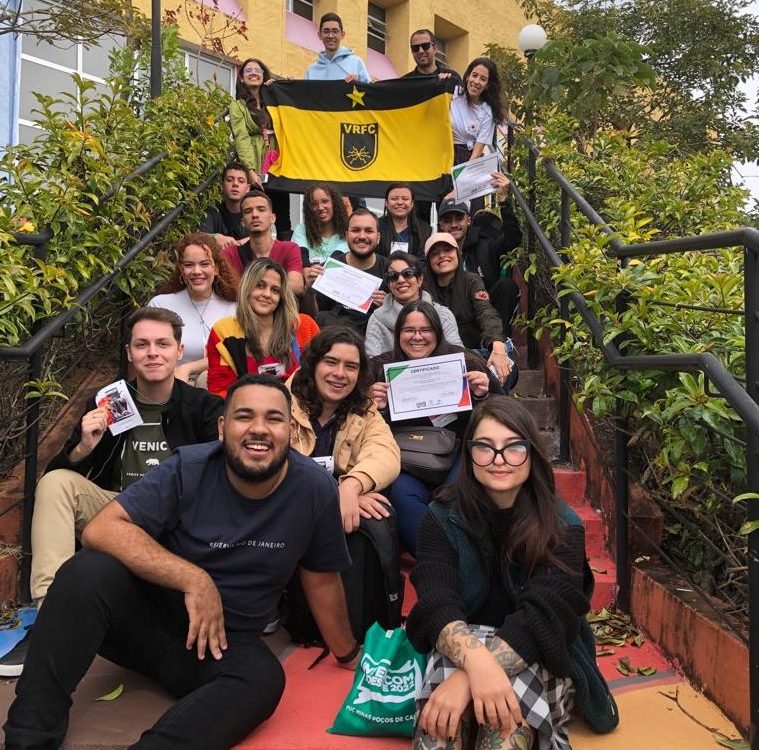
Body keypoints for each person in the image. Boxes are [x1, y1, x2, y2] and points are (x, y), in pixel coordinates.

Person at [3, 375, 359, 749]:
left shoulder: (314, 490)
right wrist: (193, 578)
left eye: (273, 418)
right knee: (86, 572)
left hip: (220, 645)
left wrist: (349, 654)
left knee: (263, 678)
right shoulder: (188, 467)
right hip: (145, 624)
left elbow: (321, 577)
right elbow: (101, 529)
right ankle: (28, 738)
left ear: (291, 430)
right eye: (244, 416)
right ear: (222, 428)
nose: (258, 429)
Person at [0, 308, 224, 677]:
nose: (153, 352)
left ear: (179, 351)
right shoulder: (109, 402)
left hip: (175, 516)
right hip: (116, 511)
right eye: (142, 345)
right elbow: (59, 476)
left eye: (162, 344)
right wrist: (83, 447)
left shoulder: (204, 408)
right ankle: (51, 615)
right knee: (55, 483)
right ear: (129, 353)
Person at [406, 397, 594, 750]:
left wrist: (470, 676)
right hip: (460, 648)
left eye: (513, 447)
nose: (499, 459)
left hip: (537, 651)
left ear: (532, 453)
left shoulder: (562, 525)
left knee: (504, 729)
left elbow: (545, 618)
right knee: (439, 729)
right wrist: (475, 663)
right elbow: (437, 603)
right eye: (485, 447)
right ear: (468, 454)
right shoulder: (441, 517)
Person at [370, 301, 502, 554]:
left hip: (457, 454)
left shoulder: (465, 362)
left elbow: (504, 411)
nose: (417, 337)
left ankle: (465, 560)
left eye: (425, 330)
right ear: (398, 334)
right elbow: (361, 425)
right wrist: (378, 408)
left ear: (438, 333)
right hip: (405, 459)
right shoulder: (381, 368)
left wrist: (483, 395)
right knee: (403, 497)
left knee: (458, 495)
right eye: (409, 330)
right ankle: (437, 560)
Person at [288, 327, 400, 534]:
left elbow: (385, 453)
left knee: (376, 514)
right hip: (289, 505)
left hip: (339, 507)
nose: (340, 374)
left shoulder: (365, 411)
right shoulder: (281, 405)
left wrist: (351, 486)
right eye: (330, 362)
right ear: (313, 364)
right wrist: (333, 496)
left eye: (351, 366)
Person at [207, 258, 318, 398]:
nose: (267, 294)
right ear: (247, 288)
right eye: (260, 285)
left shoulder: (303, 326)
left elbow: (316, 382)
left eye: (275, 290)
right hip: (244, 408)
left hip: (297, 408)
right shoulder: (225, 331)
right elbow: (220, 392)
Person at [423, 232, 516, 388]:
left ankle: (496, 399)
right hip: (439, 358)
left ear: (457, 253)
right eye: (435, 253)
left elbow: (485, 312)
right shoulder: (423, 288)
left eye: (448, 250)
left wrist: (497, 344)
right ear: (429, 261)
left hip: (473, 352)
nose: (442, 256)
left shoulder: (471, 280)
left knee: (504, 354)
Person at [148, 233, 238, 385]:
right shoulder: (160, 305)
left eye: (204, 264)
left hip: (221, 386)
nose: (197, 271)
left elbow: (236, 355)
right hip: (173, 385)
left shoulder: (234, 307)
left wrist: (188, 368)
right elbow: (148, 351)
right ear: (181, 269)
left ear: (216, 268)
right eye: (189, 265)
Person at [437, 177, 521, 338]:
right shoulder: (435, 251)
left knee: (507, 286)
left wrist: (503, 201)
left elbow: (513, 239)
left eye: (459, 219)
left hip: (486, 309)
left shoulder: (484, 244)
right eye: (447, 221)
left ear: (468, 221)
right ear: (440, 225)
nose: (454, 225)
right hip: (454, 314)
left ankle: (501, 343)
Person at [229, 58, 291, 239]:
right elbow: (241, 137)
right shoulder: (238, 106)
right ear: (241, 78)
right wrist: (250, 169)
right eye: (248, 71)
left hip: (278, 161)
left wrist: (287, 87)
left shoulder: (274, 100)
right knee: (255, 209)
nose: (254, 73)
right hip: (255, 161)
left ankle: (284, 250)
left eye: (258, 70)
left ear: (264, 75)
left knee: (282, 213)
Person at [364, 251, 462, 357]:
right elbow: (371, 361)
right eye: (393, 276)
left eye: (408, 273)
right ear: (388, 285)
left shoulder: (442, 314)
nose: (400, 280)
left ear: (420, 279)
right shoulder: (377, 319)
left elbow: (458, 356)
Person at [310, 208, 387, 334]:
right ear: (346, 236)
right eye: (355, 230)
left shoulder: (390, 271)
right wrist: (310, 291)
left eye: (369, 231)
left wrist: (388, 307)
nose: (362, 236)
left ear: (378, 237)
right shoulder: (329, 269)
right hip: (333, 337)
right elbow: (316, 315)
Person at [223, 190, 304, 296]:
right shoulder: (231, 253)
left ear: (272, 218)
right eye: (248, 211)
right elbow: (225, 288)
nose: (255, 215)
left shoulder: (289, 249)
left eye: (261, 210)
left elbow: (296, 285)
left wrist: (254, 289)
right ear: (242, 222)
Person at [292, 183, 350, 267]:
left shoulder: (347, 233)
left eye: (325, 201)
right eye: (314, 204)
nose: (320, 207)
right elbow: (300, 257)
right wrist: (307, 270)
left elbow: (335, 261)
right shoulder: (302, 229)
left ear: (334, 203)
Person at [304, 12, 370, 83]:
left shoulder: (356, 63)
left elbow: (370, 88)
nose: (330, 36)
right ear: (319, 35)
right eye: (326, 31)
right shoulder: (311, 71)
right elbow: (303, 90)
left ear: (342, 34)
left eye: (335, 31)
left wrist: (359, 82)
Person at [376, 182, 431, 259]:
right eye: (394, 199)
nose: (400, 202)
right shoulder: (376, 227)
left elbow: (423, 260)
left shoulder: (424, 230)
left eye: (405, 199)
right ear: (386, 203)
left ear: (412, 204)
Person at [201, 162, 249, 248]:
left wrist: (245, 242)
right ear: (222, 185)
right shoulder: (213, 210)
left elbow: (266, 236)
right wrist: (215, 237)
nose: (235, 184)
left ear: (248, 188)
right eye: (230, 180)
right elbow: (201, 236)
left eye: (241, 181)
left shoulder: (253, 211)